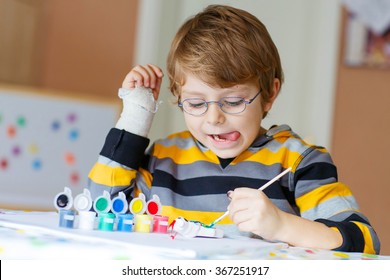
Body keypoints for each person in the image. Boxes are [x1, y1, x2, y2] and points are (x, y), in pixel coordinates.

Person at [87, 4, 380, 254]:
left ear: (269, 95)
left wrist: (281, 225)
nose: (214, 118)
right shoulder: (164, 159)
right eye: (196, 103)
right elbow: (98, 213)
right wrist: (135, 119)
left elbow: (365, 241)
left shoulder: (299, 162)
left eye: (234, 101)